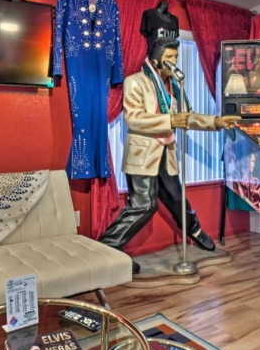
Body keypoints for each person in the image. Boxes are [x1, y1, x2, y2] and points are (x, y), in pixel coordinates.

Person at [98, 37, 241, 273]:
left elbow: (187, 117)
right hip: (143, 155)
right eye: (169, 57)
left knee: (177, 198)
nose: (174, 61)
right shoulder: (135, 82)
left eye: (176, 57)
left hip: (166, 152)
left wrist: (216, 121)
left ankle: (195, 230)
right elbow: (134, 118)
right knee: (144, 205)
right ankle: (107, 249)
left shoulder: (174, 85)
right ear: (156, 59)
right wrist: (170, 120)